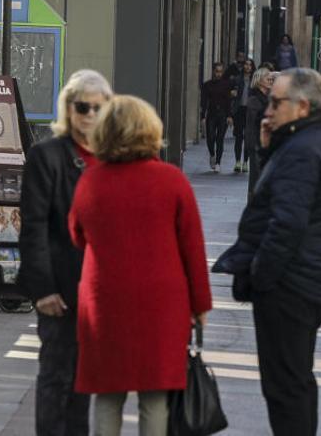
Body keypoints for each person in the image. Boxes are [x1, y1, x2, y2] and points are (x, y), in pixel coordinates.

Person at [68, 95, 212, 436]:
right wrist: (201, 305)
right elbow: (193, 247)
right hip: (162, 302)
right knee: (155, 395)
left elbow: (76, 234)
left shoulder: (91, 180)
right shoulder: (172, 180)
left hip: (105, 301)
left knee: (107, 394)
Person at [229, 68, 321, 435]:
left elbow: (287, 222)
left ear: (301, 106)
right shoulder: (315, 143)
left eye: (276, 102)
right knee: (295, 381)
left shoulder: (303, 150)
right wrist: (270, 151)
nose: (268, 109)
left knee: (285, 388)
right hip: (305, 280)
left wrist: (260, 276)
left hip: (290, 284)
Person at [18, 69, 113, 436]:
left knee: (84, 383)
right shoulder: (47, 156)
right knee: (56, 377)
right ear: (68, 109)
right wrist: (42, 290)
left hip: (99, 293)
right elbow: (34, 225)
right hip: (59, 288)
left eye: (96, 108)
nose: (88, 114)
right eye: (81, 106)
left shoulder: (112, 158)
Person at [245, 67, 274, 194]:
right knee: (256, 179)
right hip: (257, 144)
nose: (270, 79)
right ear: (259, 80)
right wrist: (252, 145)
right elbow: (251, 125)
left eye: (270, 77)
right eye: (267, 77)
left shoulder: (269, 99)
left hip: (268, 145)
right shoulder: (254, 100)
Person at [201, 62, 233, 172]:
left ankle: (218, 162)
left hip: (223, 114)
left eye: (220, 71)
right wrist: (203, 116)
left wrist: (229, 116)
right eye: (217, 71)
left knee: (220, 139)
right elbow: (204, 101)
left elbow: (228, 100)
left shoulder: (226, 84)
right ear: (213, 71)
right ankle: (212, 154)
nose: (218, 74)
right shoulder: (207, 85)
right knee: (210, 137)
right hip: (211, 113)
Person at [231, 59, 258, 172]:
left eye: (249, 65)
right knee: (238, 136)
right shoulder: (237, 79)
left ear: (252, 67)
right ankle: (238, 161)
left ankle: (246, 162)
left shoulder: (255, 81)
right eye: (246, 64)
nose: (247, 67)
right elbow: (231, 93)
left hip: (250, 110)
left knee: (248, 137)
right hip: (239, 110)